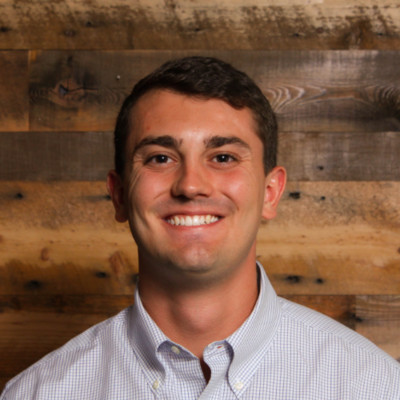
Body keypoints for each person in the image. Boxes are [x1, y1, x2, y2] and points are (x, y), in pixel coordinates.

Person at [1, 56, 399, 400]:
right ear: (119, 194)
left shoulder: (374, 386)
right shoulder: (38, 393)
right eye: (160, 158)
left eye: (223, 157)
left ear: (270, 193)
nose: (191, 185)